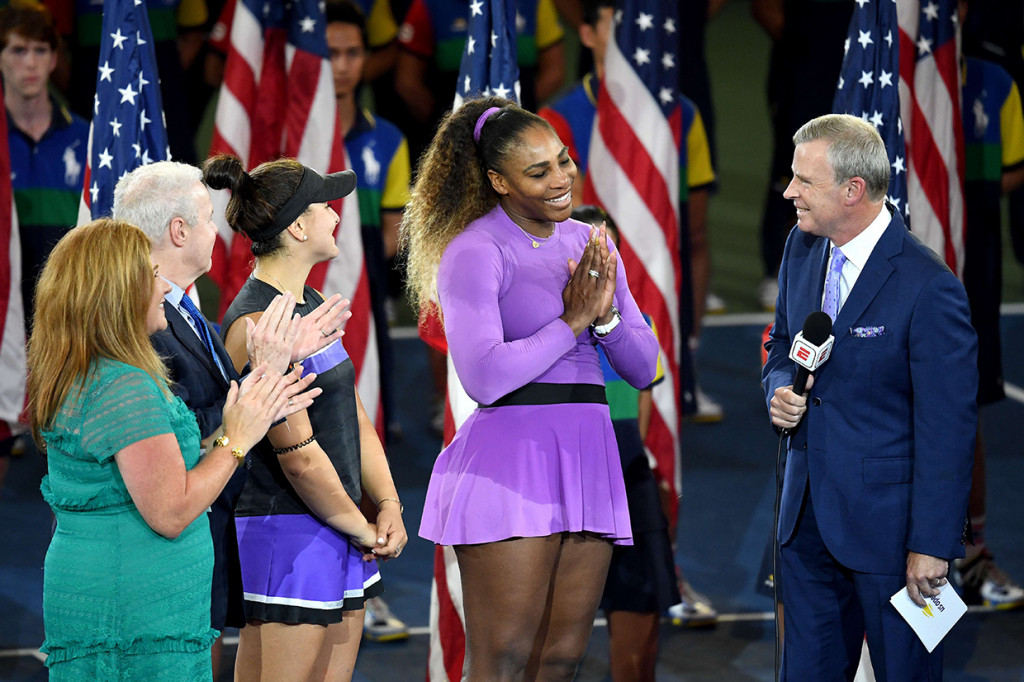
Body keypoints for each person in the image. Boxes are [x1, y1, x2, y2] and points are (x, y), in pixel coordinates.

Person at [404, 96, 658, 679]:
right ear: (497, 180)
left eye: (563, 162)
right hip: (511, 465)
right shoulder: (474, 250)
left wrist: (607, 318)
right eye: (537, 171)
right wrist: (571, 322)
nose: (561, 179)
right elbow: (485, 377)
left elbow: (643, 369)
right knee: (504, 660)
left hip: (589, 458)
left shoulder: (591, 243)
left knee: (562, 658)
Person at [28, 219, 318, 680]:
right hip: (136, 610)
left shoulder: (90, 371)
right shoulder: (122, 385)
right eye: (151, 274)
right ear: (118, 293)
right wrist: (236, 439)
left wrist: (259, 391)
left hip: (123, 595)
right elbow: (172, 508)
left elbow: (159, 462)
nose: (164, 287)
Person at [111, 160, 352, 677]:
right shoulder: (141, 324)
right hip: (163, 556)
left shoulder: (185, 311)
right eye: (204, 217)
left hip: (203, 544)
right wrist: (268, 373)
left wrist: (272, 367)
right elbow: (177, 437)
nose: (217, 230)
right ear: (178, 231)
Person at [763, 114, 977, 679]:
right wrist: (779, 386)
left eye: (804, 182)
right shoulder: (801, 248)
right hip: (804, 517)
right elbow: (781, 340)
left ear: (852, 190)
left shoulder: (928, 287)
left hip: (891, 537)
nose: (789, 192)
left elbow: (948, 429)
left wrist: (932, 544)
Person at [538, 0, 720, 628]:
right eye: (609, 19)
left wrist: (681, 335)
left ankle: (663, 562)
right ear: (585, 31)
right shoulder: (557, 117)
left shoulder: (682, 114)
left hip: (642, 318)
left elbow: (690, 234)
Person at [205, 154, 408, 680]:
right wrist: (361, 526)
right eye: (325, 206)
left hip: (334, 527)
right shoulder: (255, 324)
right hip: (287, 535)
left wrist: (387, 503)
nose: (337, 216)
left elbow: (355, 417)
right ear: (297, 226)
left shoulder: (309, 303)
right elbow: (297, 458)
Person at [326, 0, 413, 642]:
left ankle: (366, 582)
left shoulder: (389, 141)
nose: (343, 66)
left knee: (364, 434)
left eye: (354, 52)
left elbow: (390, 236)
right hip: (299, 317)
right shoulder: (296, 136)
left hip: (364, 313)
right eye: (331, 53)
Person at [573, 205, 679, 681]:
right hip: (567, 482)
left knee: (641, 640)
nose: (602, 260)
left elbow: (640, 413)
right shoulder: (540, 328)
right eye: (590, 250)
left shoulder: (637, 331)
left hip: (628, 476)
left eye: (609, 249)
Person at [954, 33, 1024, 609]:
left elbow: (1012, 171)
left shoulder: (996, 84)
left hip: (972, 272)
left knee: (964, 406)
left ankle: (973, 557)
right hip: (890, 268)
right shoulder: (878, 64)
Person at [0, 0, 88, 324]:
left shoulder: (87, 140)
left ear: (54, 59)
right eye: (18, 51)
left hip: (70, 319)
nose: (31, 64)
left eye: (40, 50)